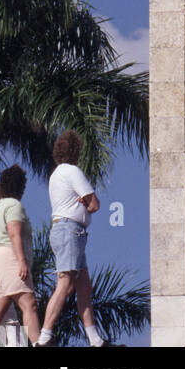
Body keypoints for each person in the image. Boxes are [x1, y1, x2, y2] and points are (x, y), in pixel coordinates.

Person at [38, 130, 104, 348]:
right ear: (76, 152)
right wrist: (85, 203)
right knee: (65, 282)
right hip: (70, 231)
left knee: (84, 287)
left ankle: (95, 340)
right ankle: (44, 337)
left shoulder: (56, 174)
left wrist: (81, 202)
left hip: (66, 231)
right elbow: (94, 204)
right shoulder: (72, 171)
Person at [0, 165, 40, 345]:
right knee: (29, 304)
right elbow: (13, 233)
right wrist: (21, 261)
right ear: (21, 187)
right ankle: (38, 343)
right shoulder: (12, 205)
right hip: (8, 259)